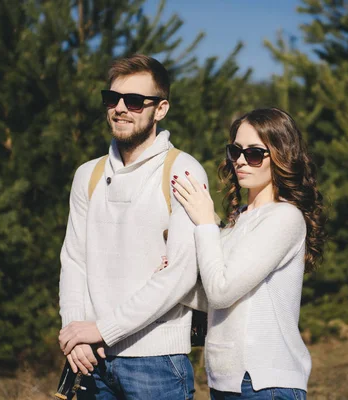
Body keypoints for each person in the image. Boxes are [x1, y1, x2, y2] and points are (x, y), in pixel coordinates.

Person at [57, 54, 208, 400]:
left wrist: (100, 330)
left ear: (161, 109)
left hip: (155, 363)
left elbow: (180, 275)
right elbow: (74, 260)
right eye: (112, 99)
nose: (120, 108)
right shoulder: (87, 175)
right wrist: (74, 332)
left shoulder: (181, 171)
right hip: (91, 359)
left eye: (135, 101)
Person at [171, 108, 326, 399]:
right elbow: (216, 300)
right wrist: (175, 277)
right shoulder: (238, 220)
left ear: (281, 155)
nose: (240, 161)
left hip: (263, 381)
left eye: (254, 153)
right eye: (235, 151)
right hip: (226, 381)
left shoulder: (284, 218)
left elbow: (221, 292)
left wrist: (205, 223)